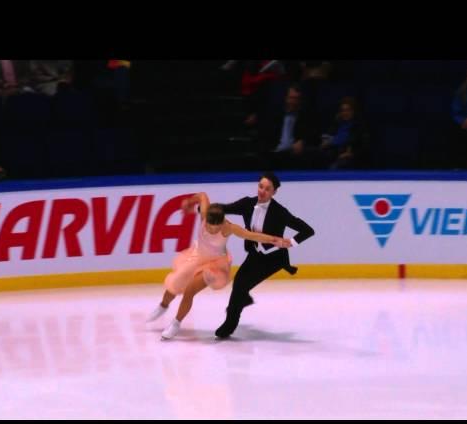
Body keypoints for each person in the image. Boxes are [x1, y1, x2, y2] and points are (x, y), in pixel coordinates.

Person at [146, 191, 290, 340]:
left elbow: (252, 235)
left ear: (222, 221)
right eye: (210, 225)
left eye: (217, 226)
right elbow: (202, 195)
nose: (213, 229)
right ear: (205, 218)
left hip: (215, 265)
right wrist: (189, 202)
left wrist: (276, 239)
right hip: (197, 257)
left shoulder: (228, 227)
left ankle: (175, 324)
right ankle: (163, 306)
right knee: (174, 284)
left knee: (189, 291)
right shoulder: (204, 213)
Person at [215, 172, 315, 339]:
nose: (262, 191)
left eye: (267, 189)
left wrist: (290, 241)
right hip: (255, 254)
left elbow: (308, 230)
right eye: (261, 186)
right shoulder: (248, 203)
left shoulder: (280, 212)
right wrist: (206, 209)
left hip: (273, 259)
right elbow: (226, 208)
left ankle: (229, 325)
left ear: (274, 192)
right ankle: (240, 303)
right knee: (239, 283)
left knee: (240, 286)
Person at [318, 96, 369, 169]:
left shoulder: (359, 127)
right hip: (333, 153)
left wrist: (352, 154)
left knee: (340, 163)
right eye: (343, 110)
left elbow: (364, 147)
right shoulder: (336, 124)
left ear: (353, 111)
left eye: (348, 110)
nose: (345, 113)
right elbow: (326, 138)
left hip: (349, 157)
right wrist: (325, 142)